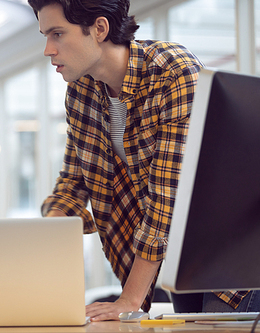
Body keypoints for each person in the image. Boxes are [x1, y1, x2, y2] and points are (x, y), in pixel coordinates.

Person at [26, 0, 256, 321]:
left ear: (100, 29)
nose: (48, 49)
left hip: (235, 242)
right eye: (45, 35)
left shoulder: (173, 72)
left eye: (57, 34)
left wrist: (130, 299)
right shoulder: (81, 91)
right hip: (184, 255)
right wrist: (31, 247)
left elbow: (167, 197)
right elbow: (74, 181)